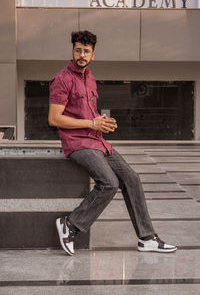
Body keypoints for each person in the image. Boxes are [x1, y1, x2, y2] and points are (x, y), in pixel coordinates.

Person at [48, 30, 177, 256]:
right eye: (78, 50)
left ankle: (146, 238)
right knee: (109, 182)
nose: (81, 54)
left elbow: (89, 113)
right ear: (72, 51)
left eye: (86, 51)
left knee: (132, 179)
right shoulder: (62, 79)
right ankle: (71, 224)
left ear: (93, 55)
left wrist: (102, 123)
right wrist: (91, 123)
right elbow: (54, 118)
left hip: (97, 141)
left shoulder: (90, 78)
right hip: (78, 144)